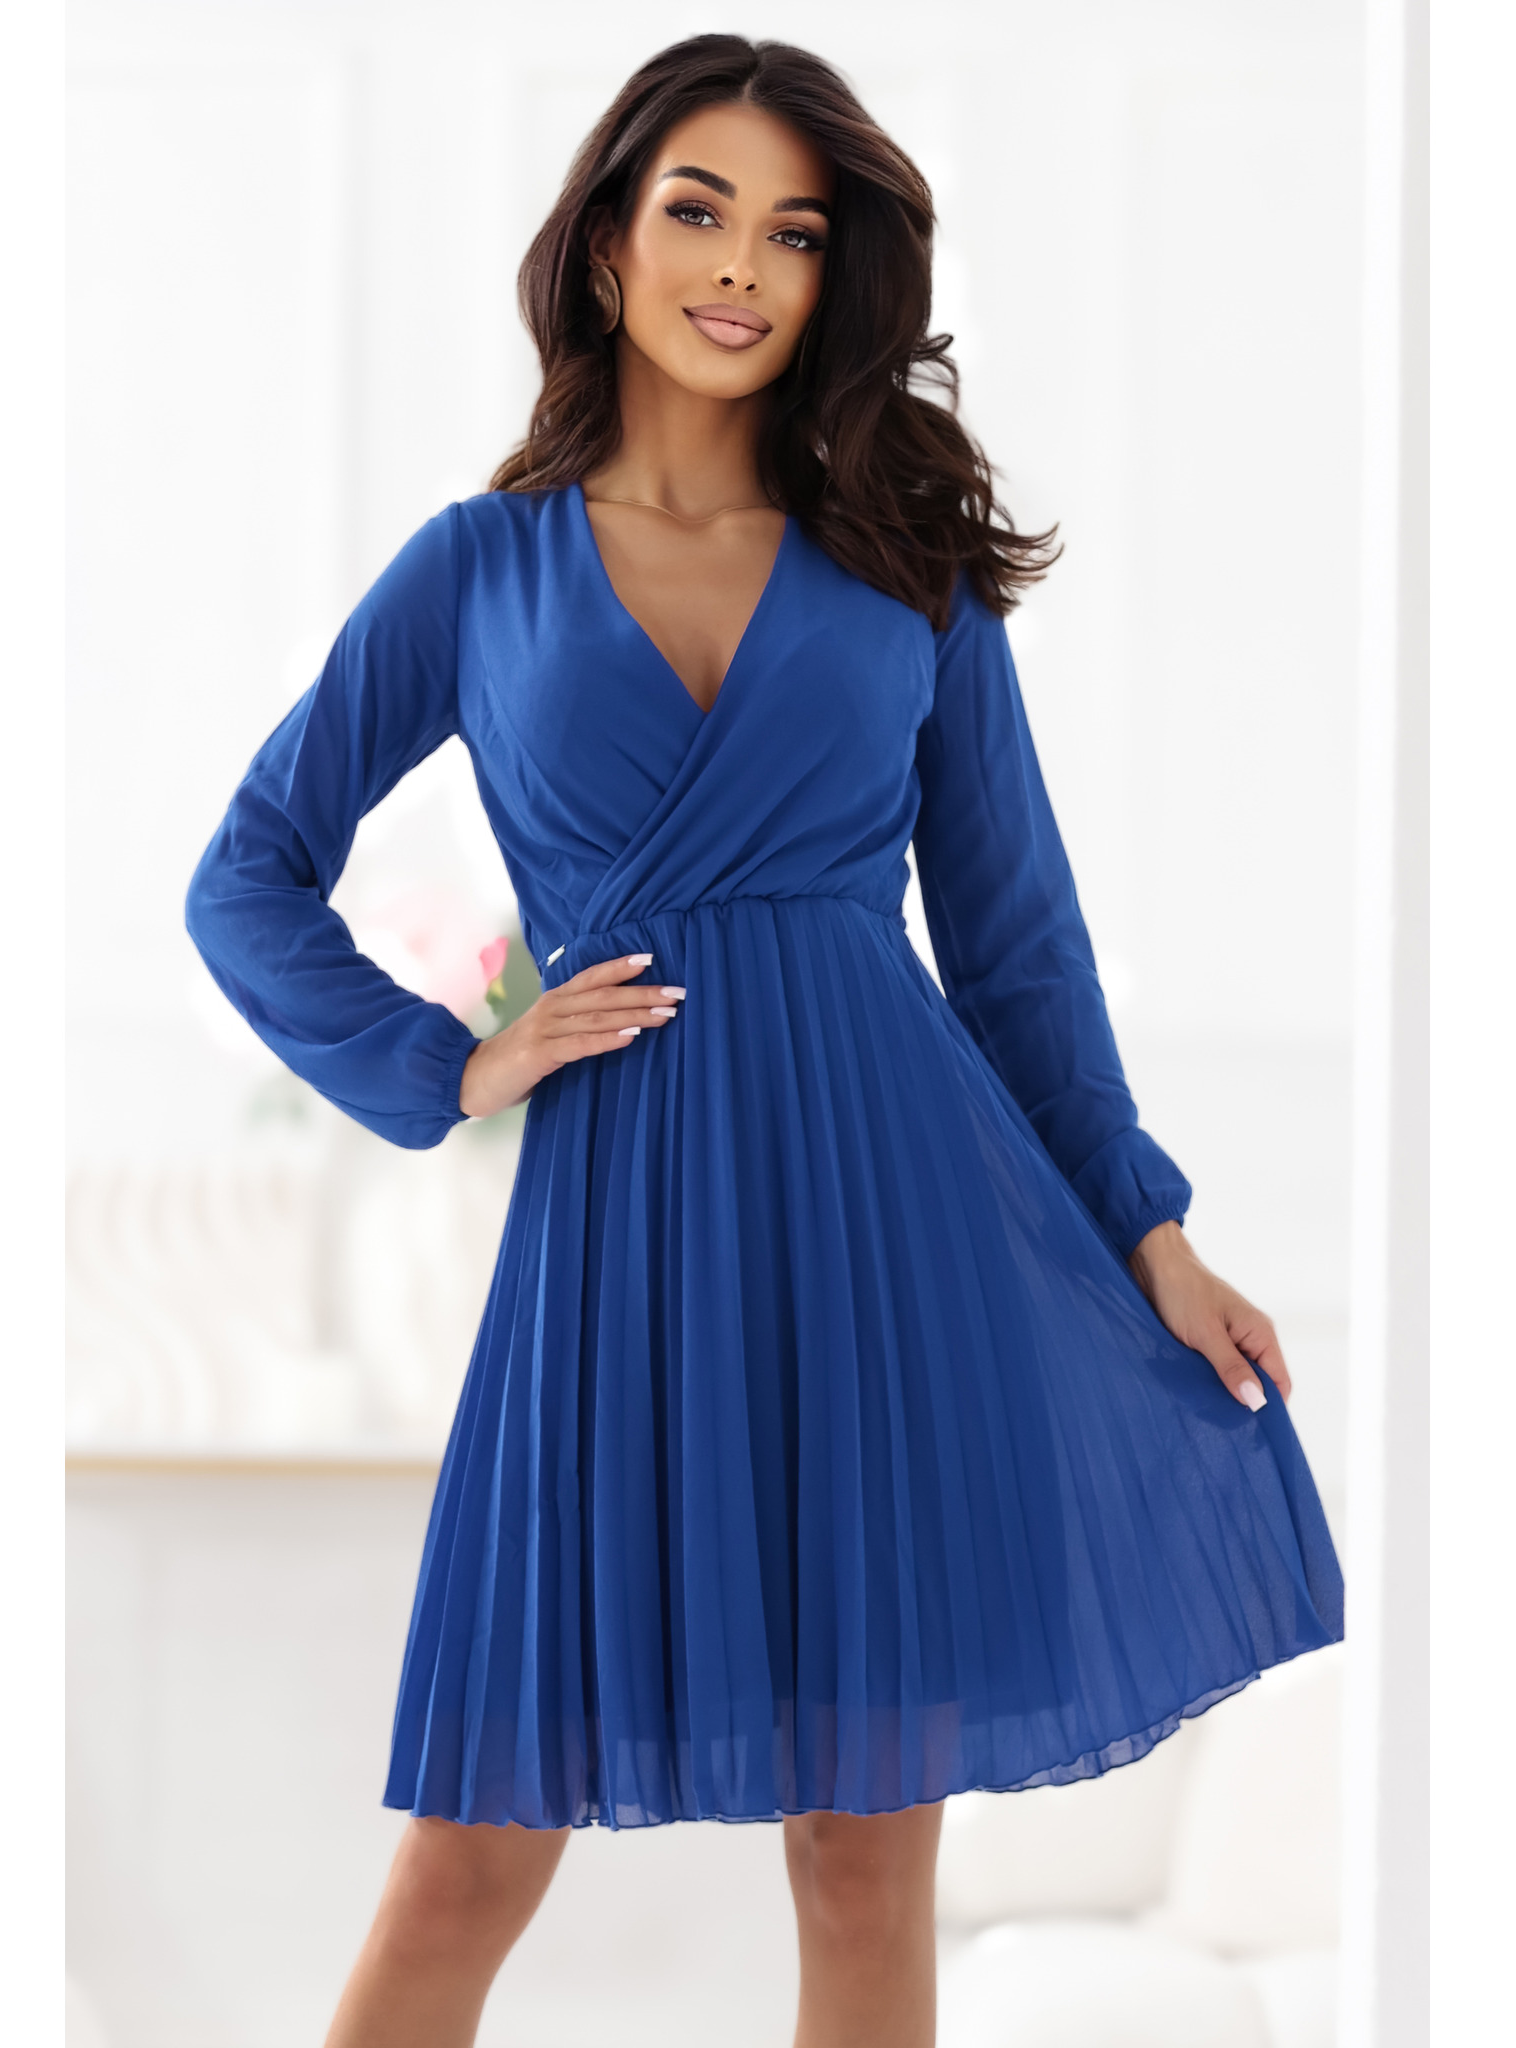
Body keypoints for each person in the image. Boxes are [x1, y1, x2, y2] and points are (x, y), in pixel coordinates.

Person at [185, 34, 1344, 2048]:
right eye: (697, 211)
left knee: (861, 1859)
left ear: (832, 279)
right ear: (608, 246)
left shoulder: (908, 563)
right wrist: (449, 1059)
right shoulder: (480, 568)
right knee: (466, 1859)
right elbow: (246, 876)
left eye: (793, 233)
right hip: (615, 1243)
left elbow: (1018, 950)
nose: (741, 266)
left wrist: (1149, 1231)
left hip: (894, 1228)